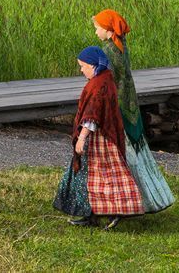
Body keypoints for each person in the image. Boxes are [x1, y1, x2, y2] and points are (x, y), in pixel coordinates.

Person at [92, 9, 175, 213]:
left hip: (118, 105)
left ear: (108, 30)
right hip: (130, 103)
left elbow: (105, 81)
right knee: (136, 151)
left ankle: (129, 201)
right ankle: (152, 196)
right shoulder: (122, 46)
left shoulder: (108, 51)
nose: (96, 32)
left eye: (97, 28)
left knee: (122, 152)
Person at [54, 45, 144, 229]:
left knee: (101, 176)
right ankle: (90, 215)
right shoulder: (106, 79)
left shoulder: (98, 85)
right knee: (93, 176)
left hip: (100, 140)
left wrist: (81, 138)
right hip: (107, 136)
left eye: (83, 66)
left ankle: (115, 212)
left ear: (93, 65)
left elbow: (92, 116)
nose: (81, 70)